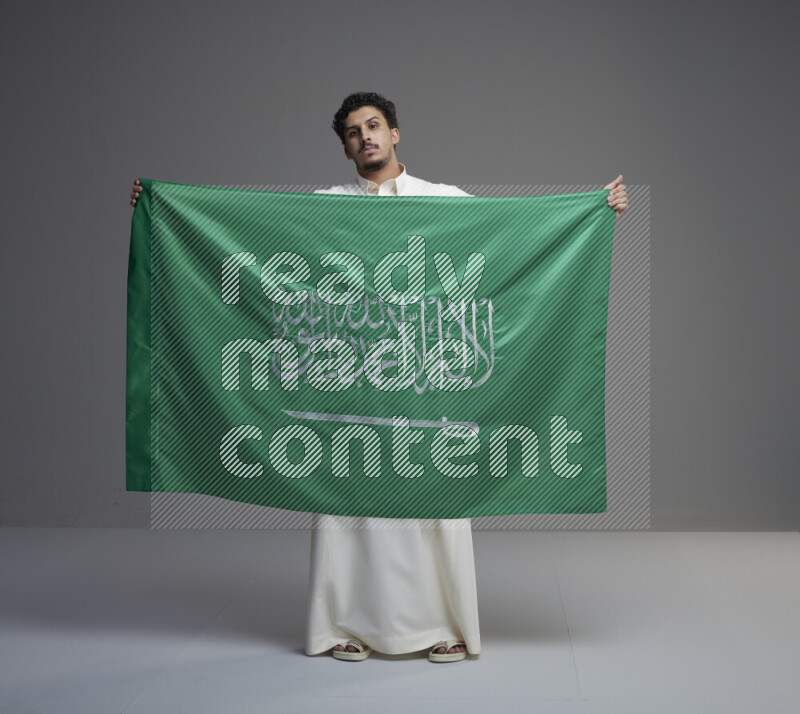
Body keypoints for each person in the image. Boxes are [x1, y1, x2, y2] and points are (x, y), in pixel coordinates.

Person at [129, 92, 628, 663]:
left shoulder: (443, 202)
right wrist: (160, 208)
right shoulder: (325, 208)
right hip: (347, 377)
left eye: (373, 126)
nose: (364, 137)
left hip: (426, 381)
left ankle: (445, 626)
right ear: (344, 148)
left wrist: (594, 209)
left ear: (395, 134)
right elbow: (255, 241)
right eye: (351, 132)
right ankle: (344, 627)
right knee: (346, 492)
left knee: (436, 488)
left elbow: (515, 235)